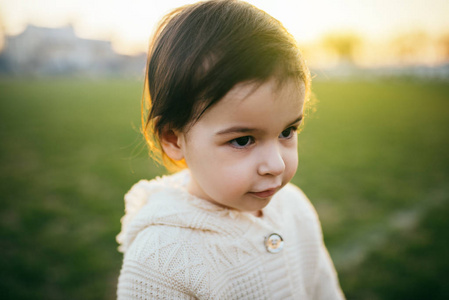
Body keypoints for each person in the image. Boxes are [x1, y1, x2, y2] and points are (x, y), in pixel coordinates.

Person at [116, 0, 345, 299]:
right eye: (242, 140)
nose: (275, 165)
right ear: (173, 139)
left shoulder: (294, 208)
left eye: (287, 132)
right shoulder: (160, 262)